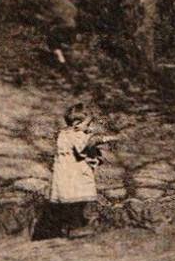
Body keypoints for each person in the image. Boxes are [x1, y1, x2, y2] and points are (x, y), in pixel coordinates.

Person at [35, 103, 115, 240]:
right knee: (76, 202)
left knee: (68, 202)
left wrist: (87, 132)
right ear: (78, 123)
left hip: (63, 173)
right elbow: (83, 148)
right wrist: (102, 139)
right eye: (87, 123)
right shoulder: (77, 135)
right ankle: (74, 229)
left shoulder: (63, 133)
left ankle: (67, 228)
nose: (89, 126)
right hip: (74, 173)